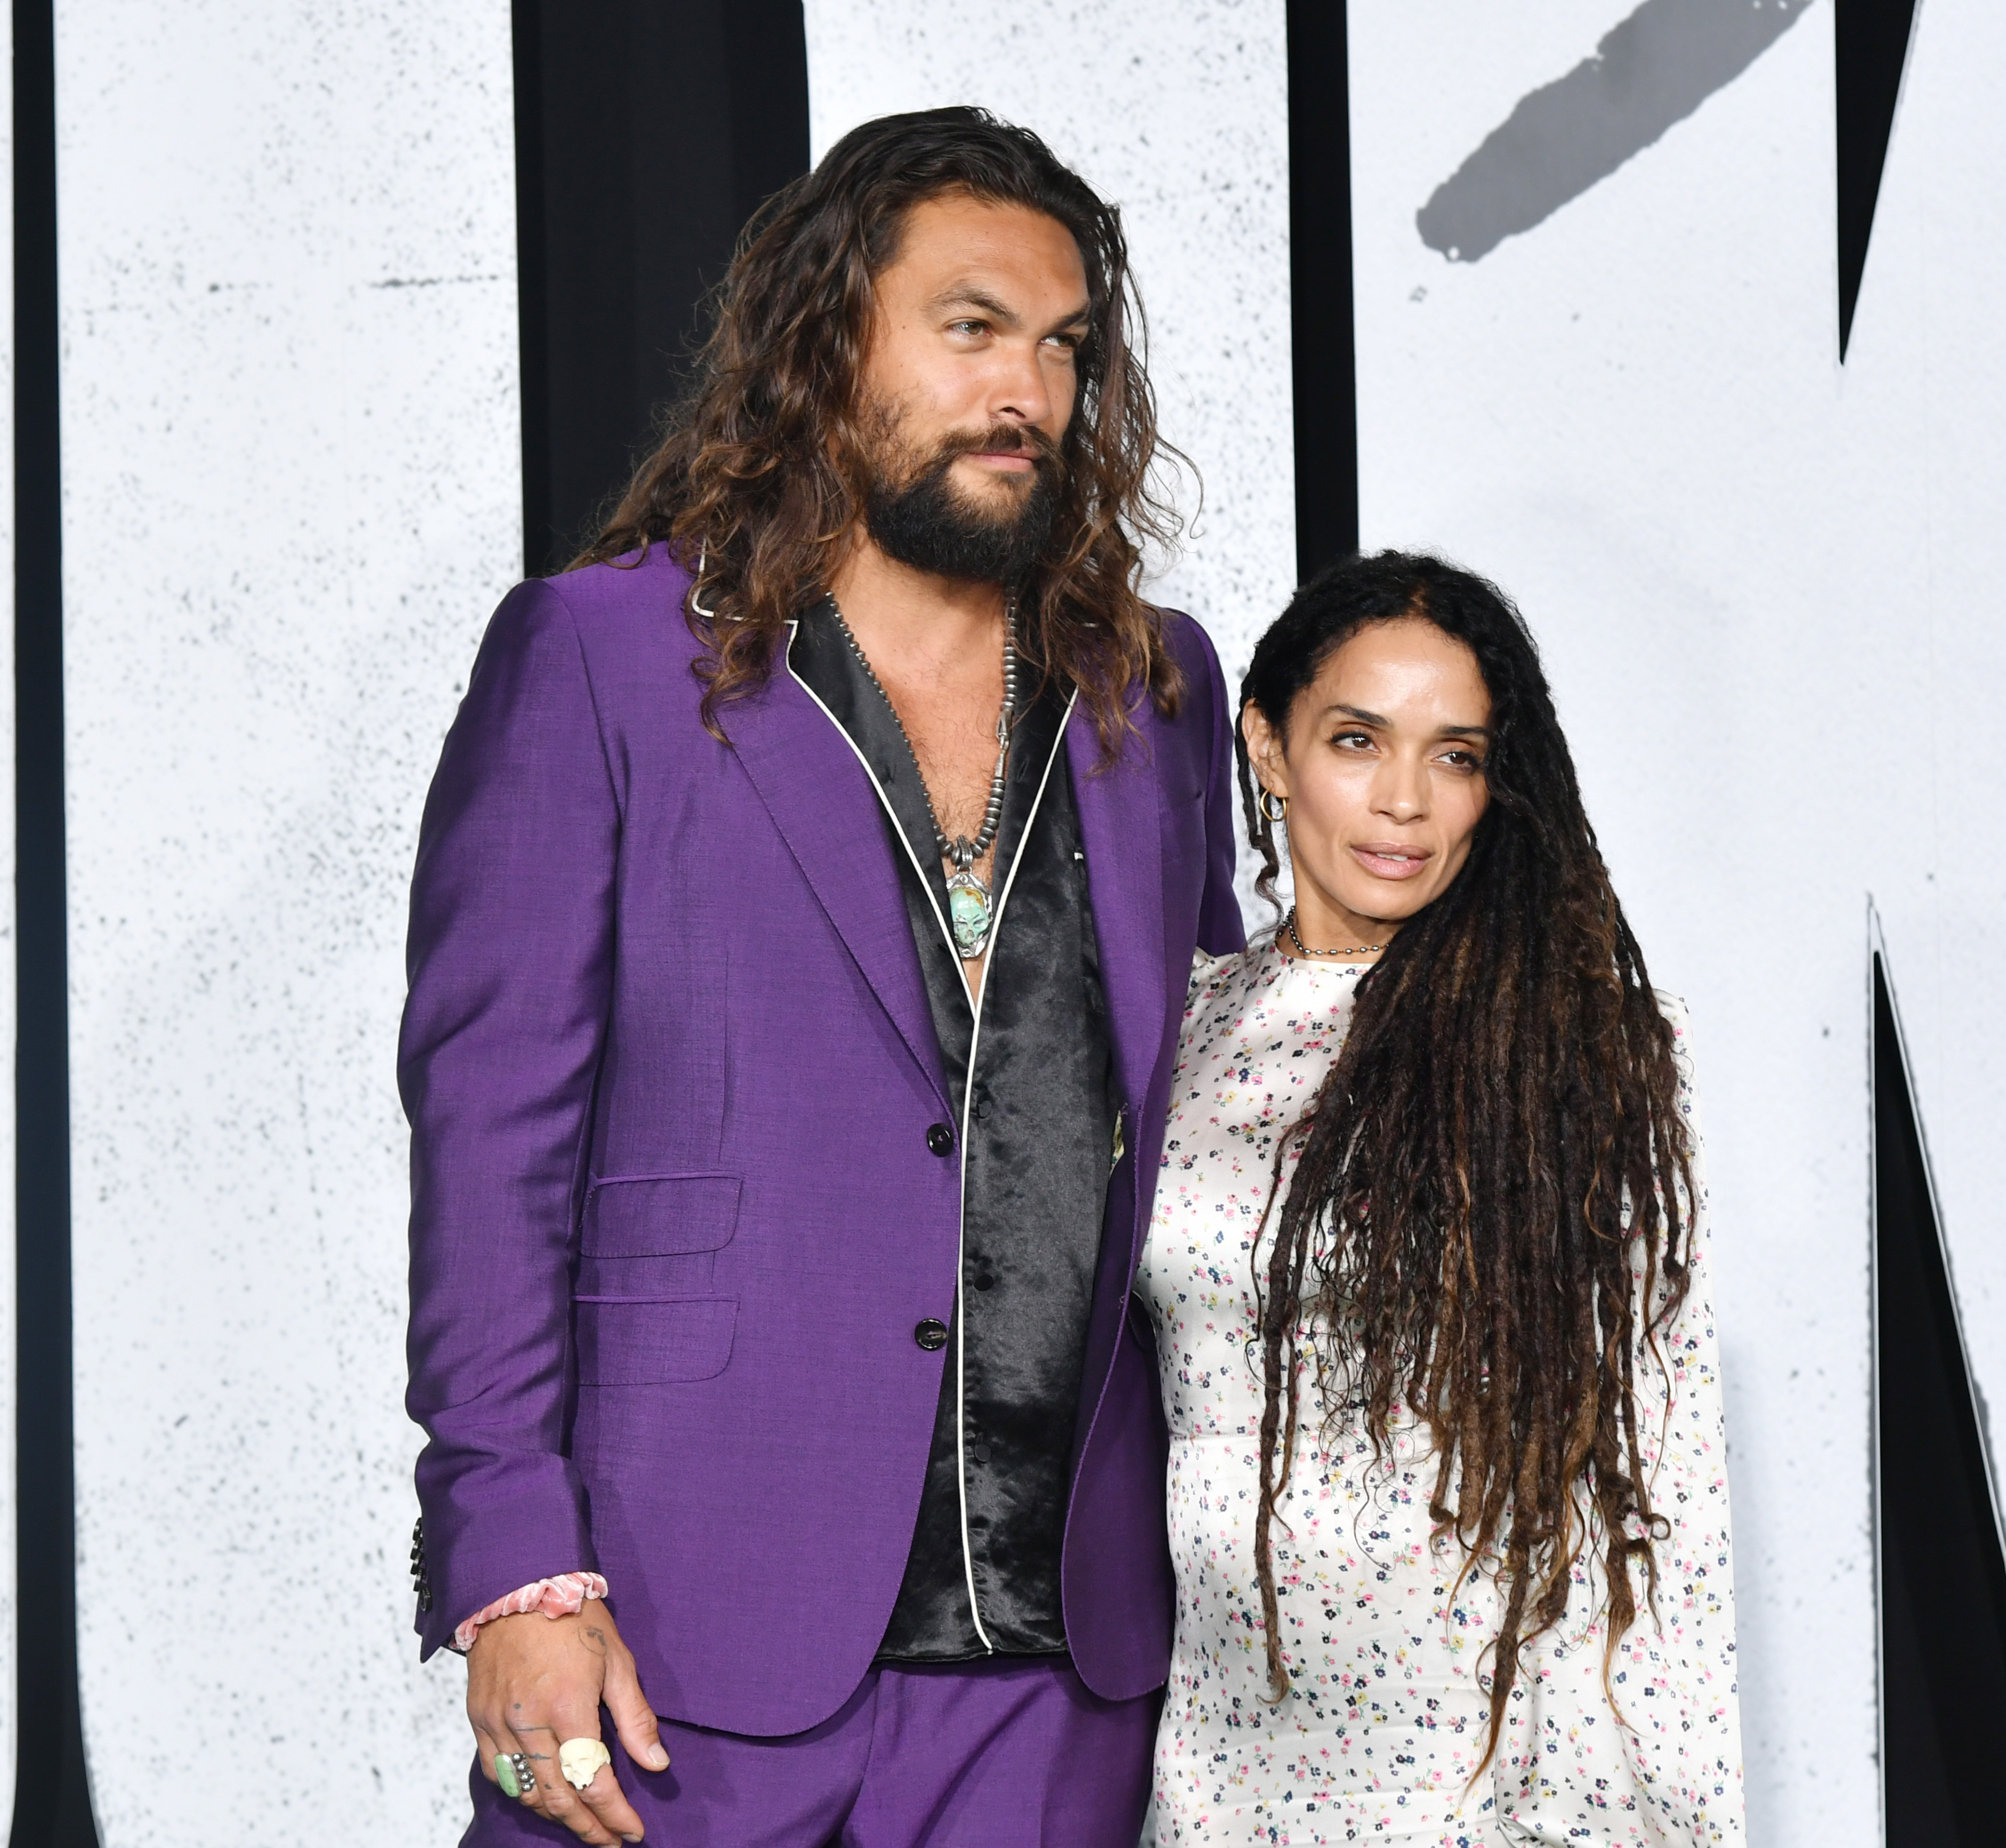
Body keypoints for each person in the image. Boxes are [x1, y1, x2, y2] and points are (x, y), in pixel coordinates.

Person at [398, 108, 1241, 1847]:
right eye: (970, 327)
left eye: (1065, 345)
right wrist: (514, 1568)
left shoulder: (1150, 695)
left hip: (1060, 1662)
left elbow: (1215, 1128)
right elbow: (491, 1149)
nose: (1026, 387)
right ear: (825, 338)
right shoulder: (606, 659)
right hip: (681, 1626)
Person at [1139, 553, 1743, 1844]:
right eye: (1357, 740)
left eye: (1456, 756)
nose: (1405, 801)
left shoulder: (1582, 1046)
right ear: (1267, 744)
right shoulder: (1180, 1031)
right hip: (1221, 1739)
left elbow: (1658, 1470)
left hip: (1477, 1751)